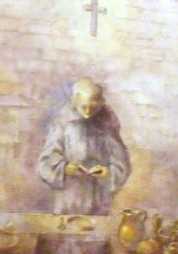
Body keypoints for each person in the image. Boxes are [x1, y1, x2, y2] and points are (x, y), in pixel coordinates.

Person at [38, 77, 131, 215]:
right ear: (74, 101)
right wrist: (65, 169)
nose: (88, 112)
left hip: (99, 201)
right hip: (69, 200)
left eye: (93, 107)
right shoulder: (62, 123)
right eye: (83, 106)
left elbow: (122, 163)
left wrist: (107, 173)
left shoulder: (108, 124)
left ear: (100, 103)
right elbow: (45, 163)